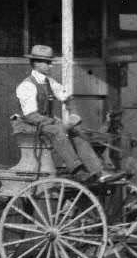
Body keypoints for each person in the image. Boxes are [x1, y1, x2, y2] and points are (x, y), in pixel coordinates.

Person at [11, 44, 126, 184]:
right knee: (58, 130)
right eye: (47, 62)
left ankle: (98, 171)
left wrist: (73, 115)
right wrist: (57, 123)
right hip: (28, 126)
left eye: (50, 62)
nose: (50, 66)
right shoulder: (27, 86)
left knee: (76, 131)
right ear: (36, 63)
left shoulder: (49, 82)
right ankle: (77, 171)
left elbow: (67, 97)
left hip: (44, 124)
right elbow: (31, 116)